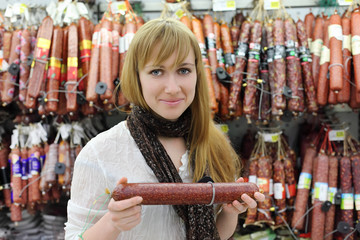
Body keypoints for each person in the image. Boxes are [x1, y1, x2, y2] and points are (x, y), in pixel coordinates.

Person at [64, 17, 264, 240]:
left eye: (184, 70)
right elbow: (73, 236)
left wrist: (229, 213)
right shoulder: (100, 152)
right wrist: (112, 224)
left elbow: (216, 234)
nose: (172, 88)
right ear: (136, 76)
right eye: (157, 72)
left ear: (198, 74)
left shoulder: (216, 144)